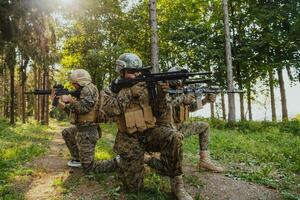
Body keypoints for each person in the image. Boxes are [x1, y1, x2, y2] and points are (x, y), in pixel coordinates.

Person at [103, 53, 193, 200]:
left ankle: (178, 186)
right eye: (132, 72)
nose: (137, 74)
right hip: (128, 139)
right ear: (122, 72)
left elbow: (160, 112)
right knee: (134, 189)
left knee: (174, 137)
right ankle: (125, 162)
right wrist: (129, 93)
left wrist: (161, 95)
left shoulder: (146, 86)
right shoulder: (111, 89)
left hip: (150, 132)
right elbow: (108, 110)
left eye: (138, 71)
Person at [52, 69, 118, 173]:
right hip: (81, 129)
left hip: (88, 131)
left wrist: (70, 99)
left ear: (80, 82)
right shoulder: (81, 91)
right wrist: (56, 102)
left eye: (75, 84)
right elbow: (69, 109)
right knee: (67, 132)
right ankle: (78, 158)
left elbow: (84, 108)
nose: (73, 86)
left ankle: (118, 162)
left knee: (89, 168)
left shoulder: (89, 89)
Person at [168, 66, 224, 172]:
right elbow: (168, 104)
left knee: (204, 126)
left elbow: (191, 108)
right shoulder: (164, 90)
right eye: (181, 78)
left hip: (179, 126)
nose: (183, 81)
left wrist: (205, 100)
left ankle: (204, 160)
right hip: (167, 129)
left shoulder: (182, 91)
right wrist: (184, 98)